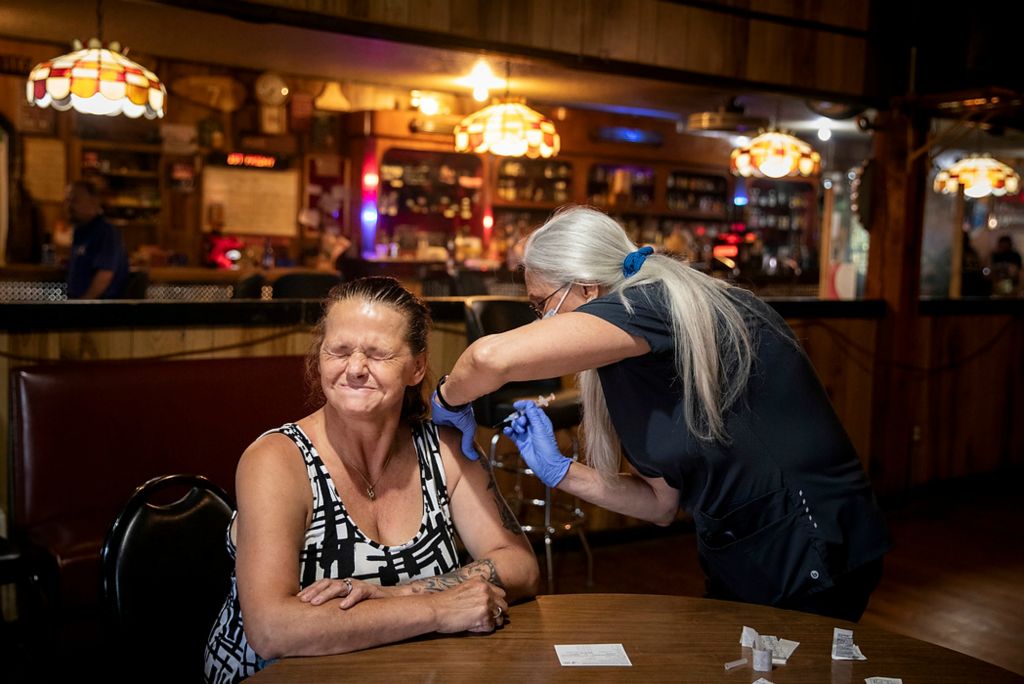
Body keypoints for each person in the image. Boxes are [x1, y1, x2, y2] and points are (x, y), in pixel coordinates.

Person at [432, 206, 890, 622]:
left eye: (539, 305)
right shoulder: (629, 359)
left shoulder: (651, 304)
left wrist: (446, 402)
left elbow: (487, 359)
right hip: (741, 550)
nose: (539, 322)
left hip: (809, 542)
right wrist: (559, 471)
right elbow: (660, 505)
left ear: (587, 288)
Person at [205, 277, 539, 684]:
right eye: (339, 351)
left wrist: (395, 595)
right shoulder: (276, 460)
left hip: (408, 671)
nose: (356, 368)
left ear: (416, 367)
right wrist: (439, 609)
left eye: (378, 354)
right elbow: (273, 629)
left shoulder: (446, 450)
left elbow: (519, 564)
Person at [64, 180, 129, 298]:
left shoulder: (106, 232)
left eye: (75, 201)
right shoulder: (80, 231)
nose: (69, 206)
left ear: (93, 202)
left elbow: (105, 275)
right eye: (67, 200)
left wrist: (83, 304)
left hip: (99, 309)